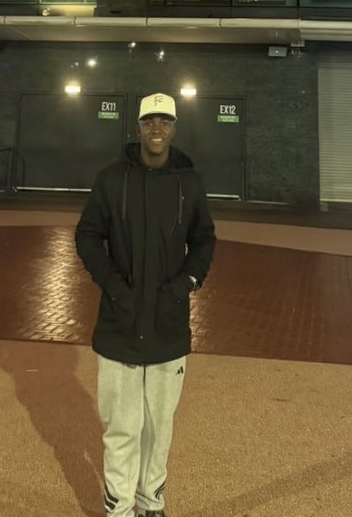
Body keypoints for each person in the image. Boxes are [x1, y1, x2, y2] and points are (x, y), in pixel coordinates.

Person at [75, 92, 216, 517]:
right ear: (138, 127)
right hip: (119, 323)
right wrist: (113, 286)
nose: (157, 128)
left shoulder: (190, 183)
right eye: (150, 121)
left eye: (165, 121)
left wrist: (186, 283)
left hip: (168, 324)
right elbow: (87, 235)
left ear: (174, 129)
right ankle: (119, 507)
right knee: (122, 426)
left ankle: (150, 502)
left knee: (159, 426)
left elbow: (204, 240)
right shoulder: (110, 179)